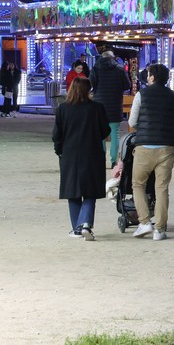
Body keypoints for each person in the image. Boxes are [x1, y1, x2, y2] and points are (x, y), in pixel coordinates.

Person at [52, 77, 110, 241]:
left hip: (69, 155)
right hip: (92, 154)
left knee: (72, 192)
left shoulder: (63, 109)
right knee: (90, 191)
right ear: (88, 90)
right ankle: (85, 223)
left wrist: (60, 151)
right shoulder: (97, 108)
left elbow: (57, 135)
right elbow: (105, 131)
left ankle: (77, 228)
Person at [128, 63, 174, 241]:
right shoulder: (173, 97)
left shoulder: (141, 94)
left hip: (144, 146)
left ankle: (144, 222)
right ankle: (160, 229)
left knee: (138, 185)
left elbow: (132, 122)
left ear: (151, 77)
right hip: (167, 147)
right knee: (162, 188)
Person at [90, 50, 132, 167]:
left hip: (99, 106)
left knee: (101, 135)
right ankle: (114, 161)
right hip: (115, 105)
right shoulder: (119, 68)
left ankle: (100, 160)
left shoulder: (95, 68)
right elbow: (127, 85)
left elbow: (90, 84)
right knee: (115, 134)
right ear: (113, 58)